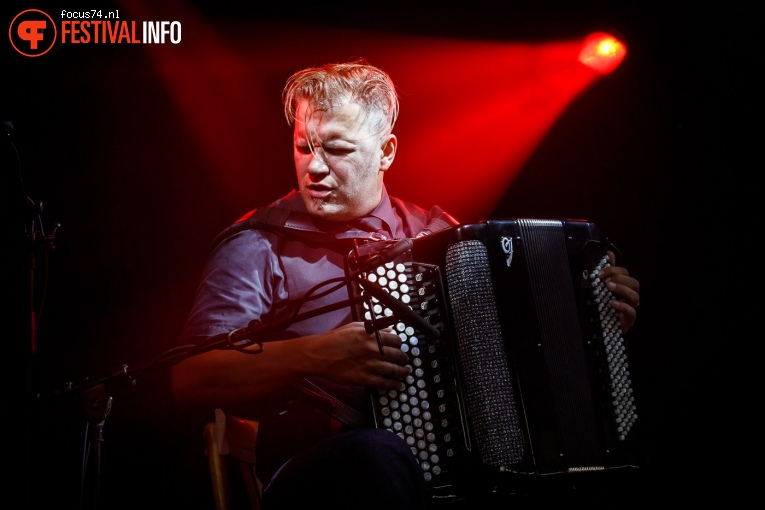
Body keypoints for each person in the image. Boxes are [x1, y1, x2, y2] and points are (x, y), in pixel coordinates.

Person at [170, 60, 641, 510]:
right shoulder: (259, 243)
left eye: (336, 149)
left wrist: (588, 314)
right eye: (303, 146)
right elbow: (191, 377)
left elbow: (509, 344)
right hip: (320, 471)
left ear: (386, 152)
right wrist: (314, 354)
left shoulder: (437, 235)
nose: (313, 168)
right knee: (376, 456)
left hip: (454, 470)